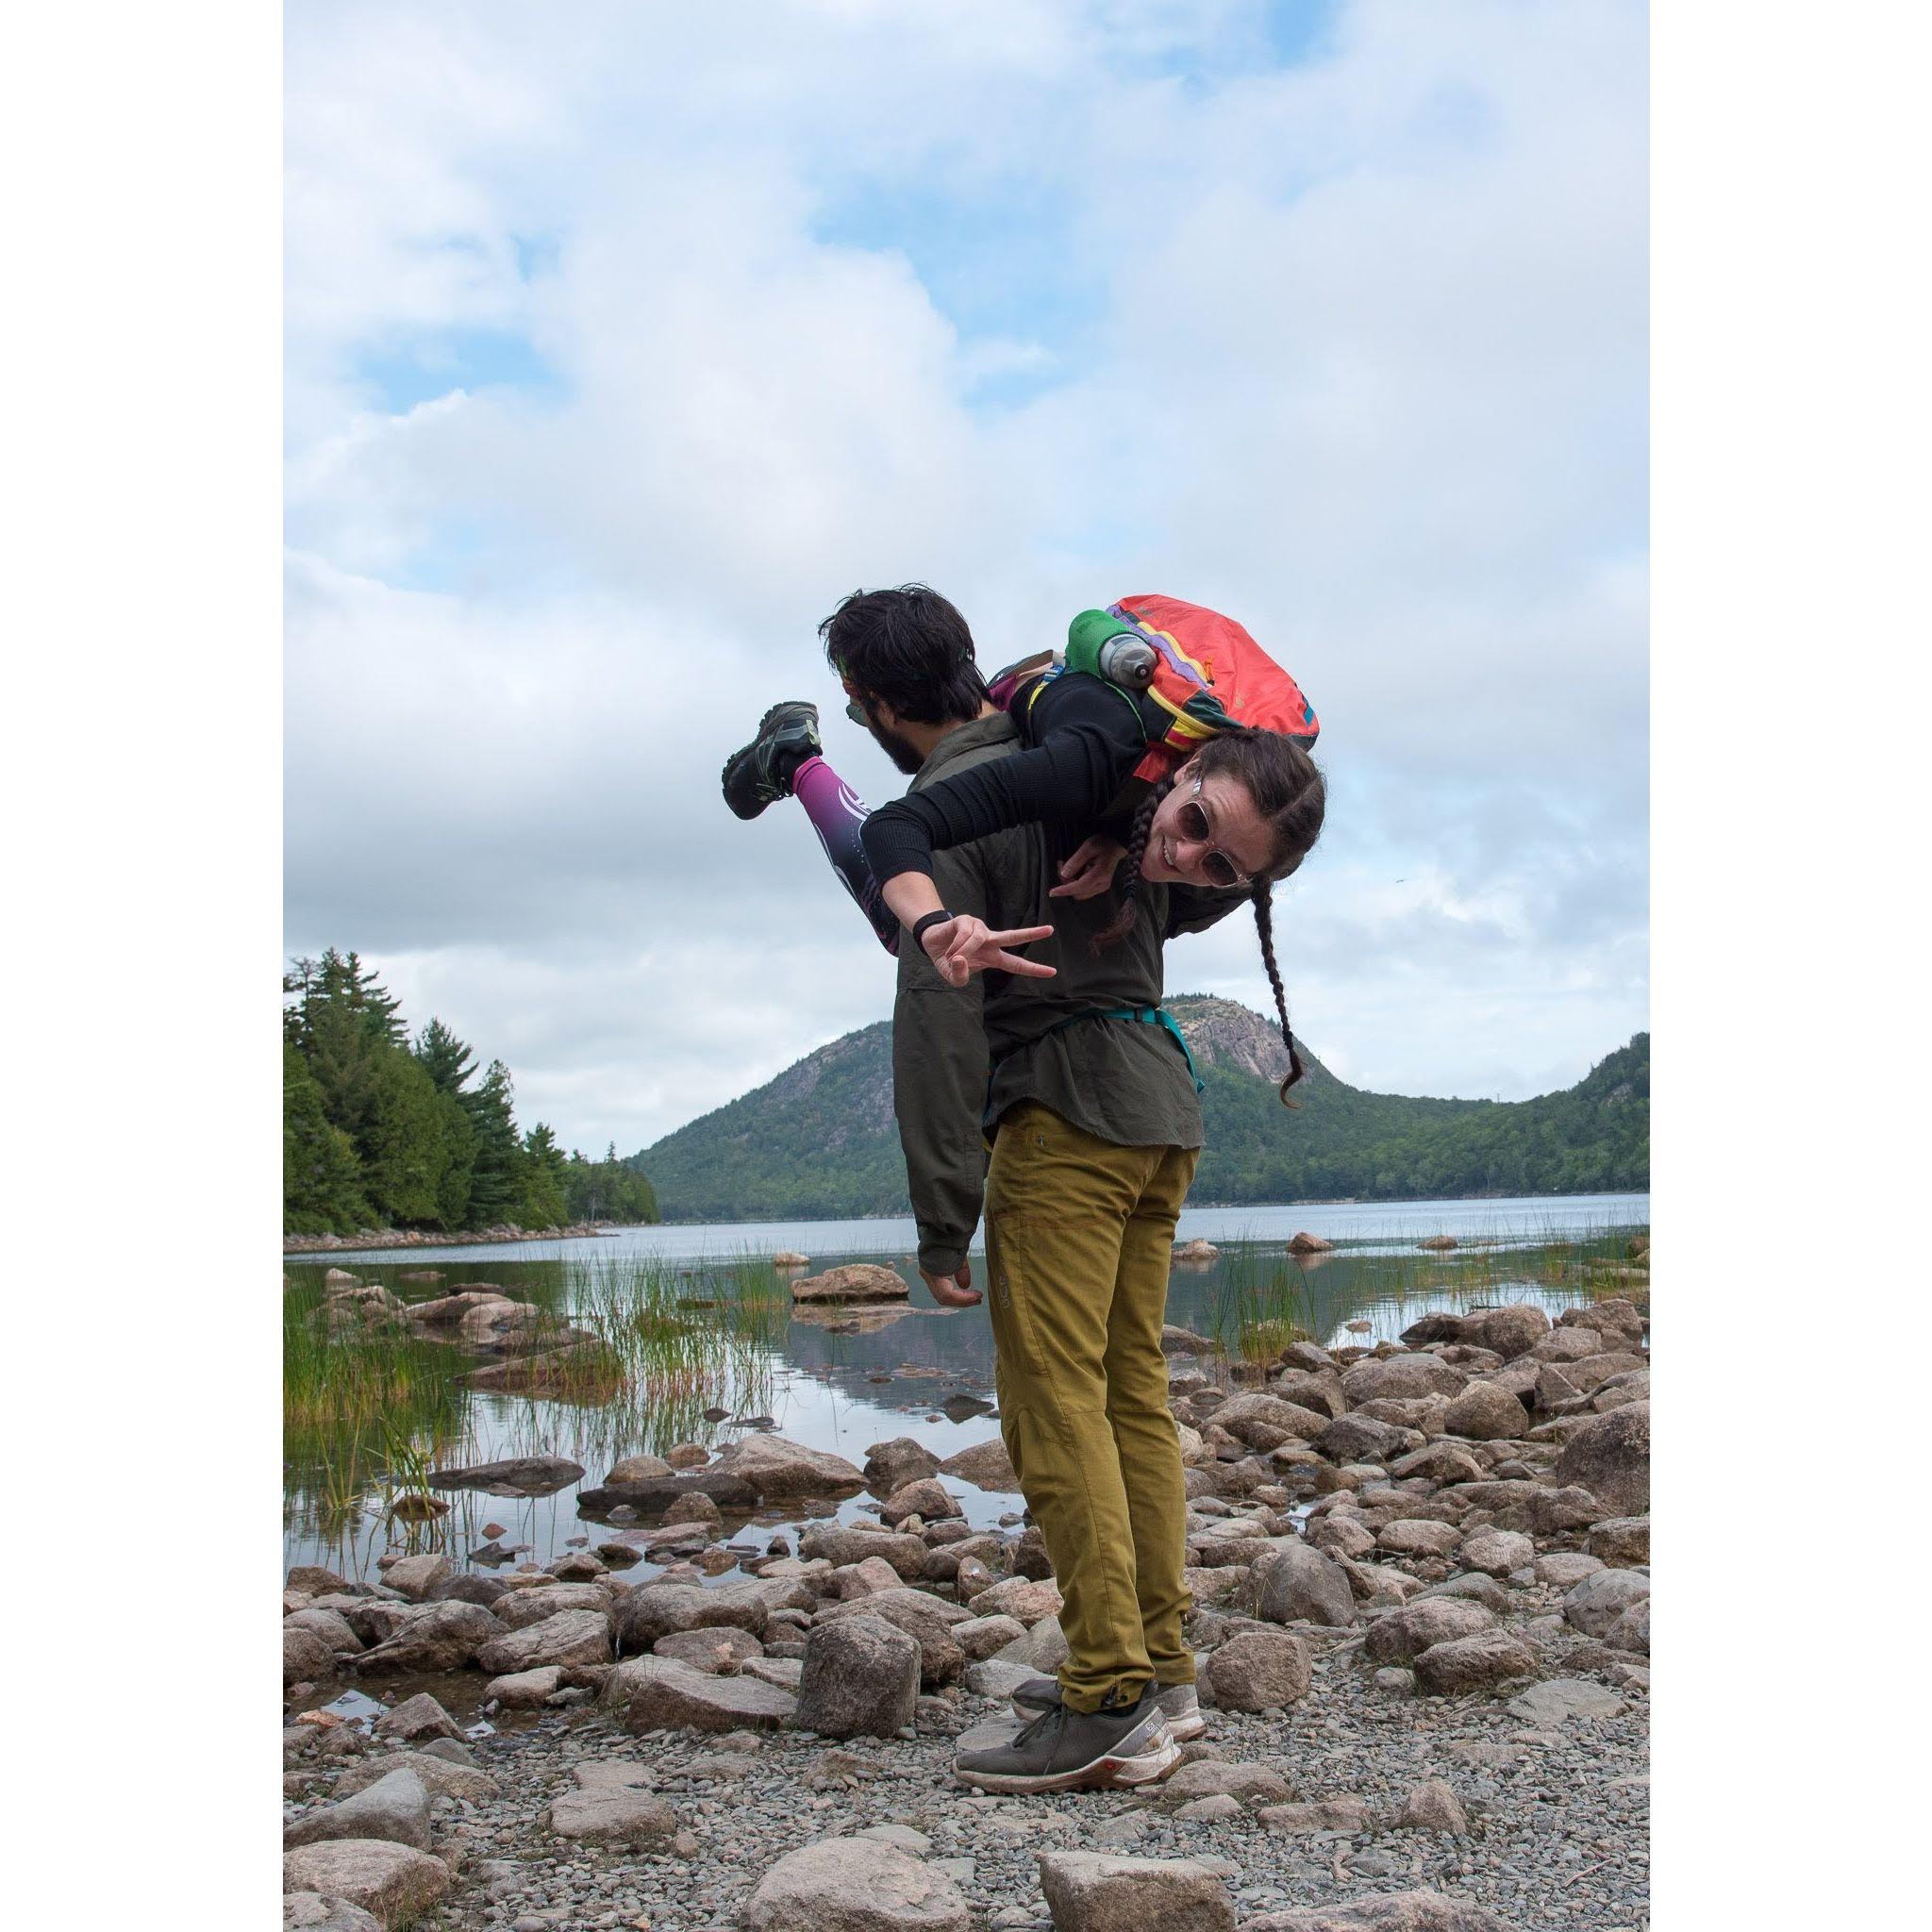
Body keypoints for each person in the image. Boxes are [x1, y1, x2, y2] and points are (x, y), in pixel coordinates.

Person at [723, 585, 1325, 1792]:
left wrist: (943, 1212)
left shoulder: (994, 787)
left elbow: (935, 1003)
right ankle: (1163, 1669)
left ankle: (1109, 1699)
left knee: (1056, 1411)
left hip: (1063, 1105)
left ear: (876, 704)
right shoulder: (1110, 773)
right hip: (1160, 1106)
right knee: (1128, 1399)